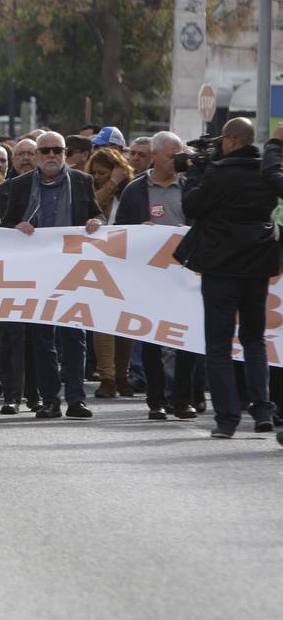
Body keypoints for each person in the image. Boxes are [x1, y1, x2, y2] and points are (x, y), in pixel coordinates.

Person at [178, 118, 283, 438]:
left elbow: (192, 206)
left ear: (232, 139)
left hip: (221, 266)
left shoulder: (218, 172)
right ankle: (263, 411)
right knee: (254, 340)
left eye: (223, 139)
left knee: (219, 345)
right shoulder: (266, 172)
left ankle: (227, 419)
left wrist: (195, 171)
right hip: (258, 265)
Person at [0, 131, 103, 420]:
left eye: (57, 150)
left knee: (75, 336)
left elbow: (98, 215)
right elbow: (5, 223)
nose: (51, 156)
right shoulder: (20, 185)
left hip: (73, 268)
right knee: (42, 337)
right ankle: (49, 400)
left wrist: (96, 222)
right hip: (35, 270)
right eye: (45, 151)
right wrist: (16, 226)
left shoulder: (83, 181)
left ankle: (76, 400)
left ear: (65, 153)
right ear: (36, 156)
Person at [114, 131, 203, 421]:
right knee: (151, 340)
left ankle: (183, 399)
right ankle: (156, 400)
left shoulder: (191, 187)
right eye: (171, 155)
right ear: (155, 157)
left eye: (181, 154)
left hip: (184, 275)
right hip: (149, 278)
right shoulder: (135, 190)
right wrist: (138, 232)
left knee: (185, 340)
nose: (178, 160)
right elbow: (119, 231)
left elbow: (202, 224)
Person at [87, 147, 136, 398]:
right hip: (99, 265)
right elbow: (94, 204)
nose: (97, 177)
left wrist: (118, 183)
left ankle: (122, 375)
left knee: (124, 323)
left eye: (103, 173)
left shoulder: (132, 191)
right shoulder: (92, 192)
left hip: (128, 265)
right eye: (94, 173)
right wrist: (110, 183)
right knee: (103, 322)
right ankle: (107, 377)